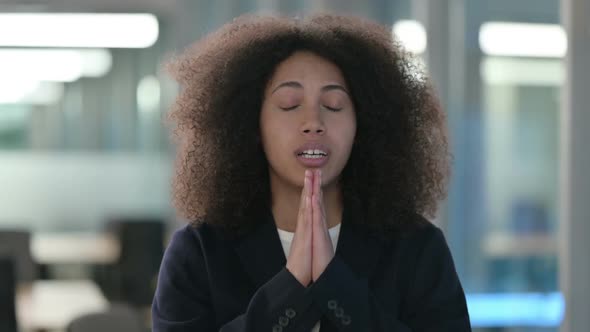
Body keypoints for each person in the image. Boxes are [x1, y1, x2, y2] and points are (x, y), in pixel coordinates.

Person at [152, 13, 471, 332]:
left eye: (333, 105)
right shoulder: (198, 254)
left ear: (363, 126)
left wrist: (335, 284)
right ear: (250, 125)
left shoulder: (417, 248)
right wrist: (290, 287)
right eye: (290, 105)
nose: (314, 122)